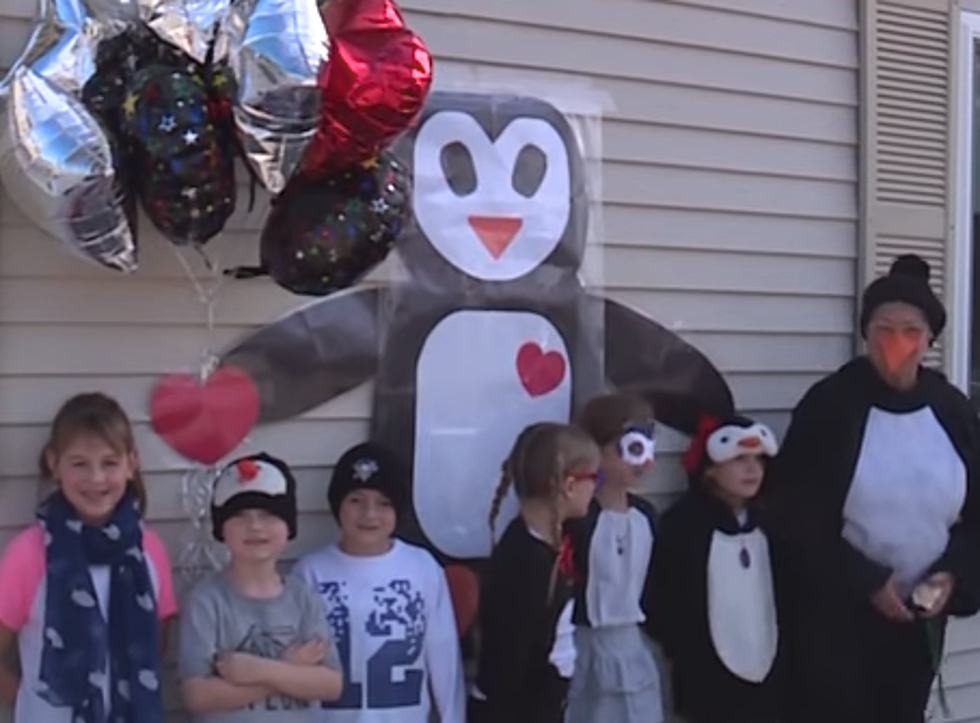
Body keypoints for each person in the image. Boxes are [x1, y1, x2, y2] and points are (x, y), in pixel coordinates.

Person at [766, 254, 980, 723]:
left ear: (929, 340)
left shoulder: (953, 412)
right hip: (837, 621)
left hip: (918, 620)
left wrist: (951, 576)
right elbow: (792, 513)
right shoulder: (829, 407)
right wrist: (865, 580)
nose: (896, 342)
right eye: (884, 328)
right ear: (866, 333)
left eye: (911, 330)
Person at [0, 392, 177, 723]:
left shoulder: (148, 549)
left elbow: (156, 643)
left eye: (109, 463)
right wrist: (30, 702)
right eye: (79, 463)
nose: (96, 479)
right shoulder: (29, 553)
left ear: (131, 463)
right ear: (54, 464)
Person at [293, 441, 466, 723]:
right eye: (356, 500)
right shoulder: (311, 572)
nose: (369, 514)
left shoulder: (422, 568)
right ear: (338, 505)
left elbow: (443, 654)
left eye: (383, 503)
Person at [178, 452, 343, 722]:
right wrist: (289, 669)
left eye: (268, 515)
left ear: (288, 525)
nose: (254, 526)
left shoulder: (303, 597)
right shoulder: (206, 600)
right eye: (240, 516)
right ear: (222, 528)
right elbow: (197, 695)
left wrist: (258, 670)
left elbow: (330, 684)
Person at [649, 414, 783, 723]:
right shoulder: (684, 527)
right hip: (708, 677)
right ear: (709, 469)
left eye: (758, 460)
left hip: (768, 670)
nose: (752, 469)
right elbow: (665, 598)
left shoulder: (771, 525)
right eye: (739, 459)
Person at [469, 422, 599, 723]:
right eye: (595, 477)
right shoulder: (524, 562)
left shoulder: (546, 545)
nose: (596, 487)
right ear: (569, 486)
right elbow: (509, 664)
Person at [563, 393, 665, 723]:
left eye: (650, 449)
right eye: (632, 449)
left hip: (632, 645)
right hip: (583, 647)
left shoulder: (646, 516)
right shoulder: (578, 519)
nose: (644, 462)